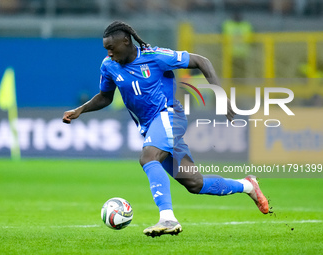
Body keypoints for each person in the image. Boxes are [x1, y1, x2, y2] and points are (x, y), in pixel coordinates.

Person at [62, 21, 269, 237]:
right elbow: (106, 96)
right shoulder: (109, 65)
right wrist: (81, 110)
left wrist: (220, 94)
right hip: (152, 125)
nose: (109, 52)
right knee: (194, 183)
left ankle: (168, 218)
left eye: (111, 47)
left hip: (170, 115)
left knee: (148, 157)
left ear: (126, 41)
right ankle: (247, 186)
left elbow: (201, 61)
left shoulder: (156, 56)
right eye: (106, 48)